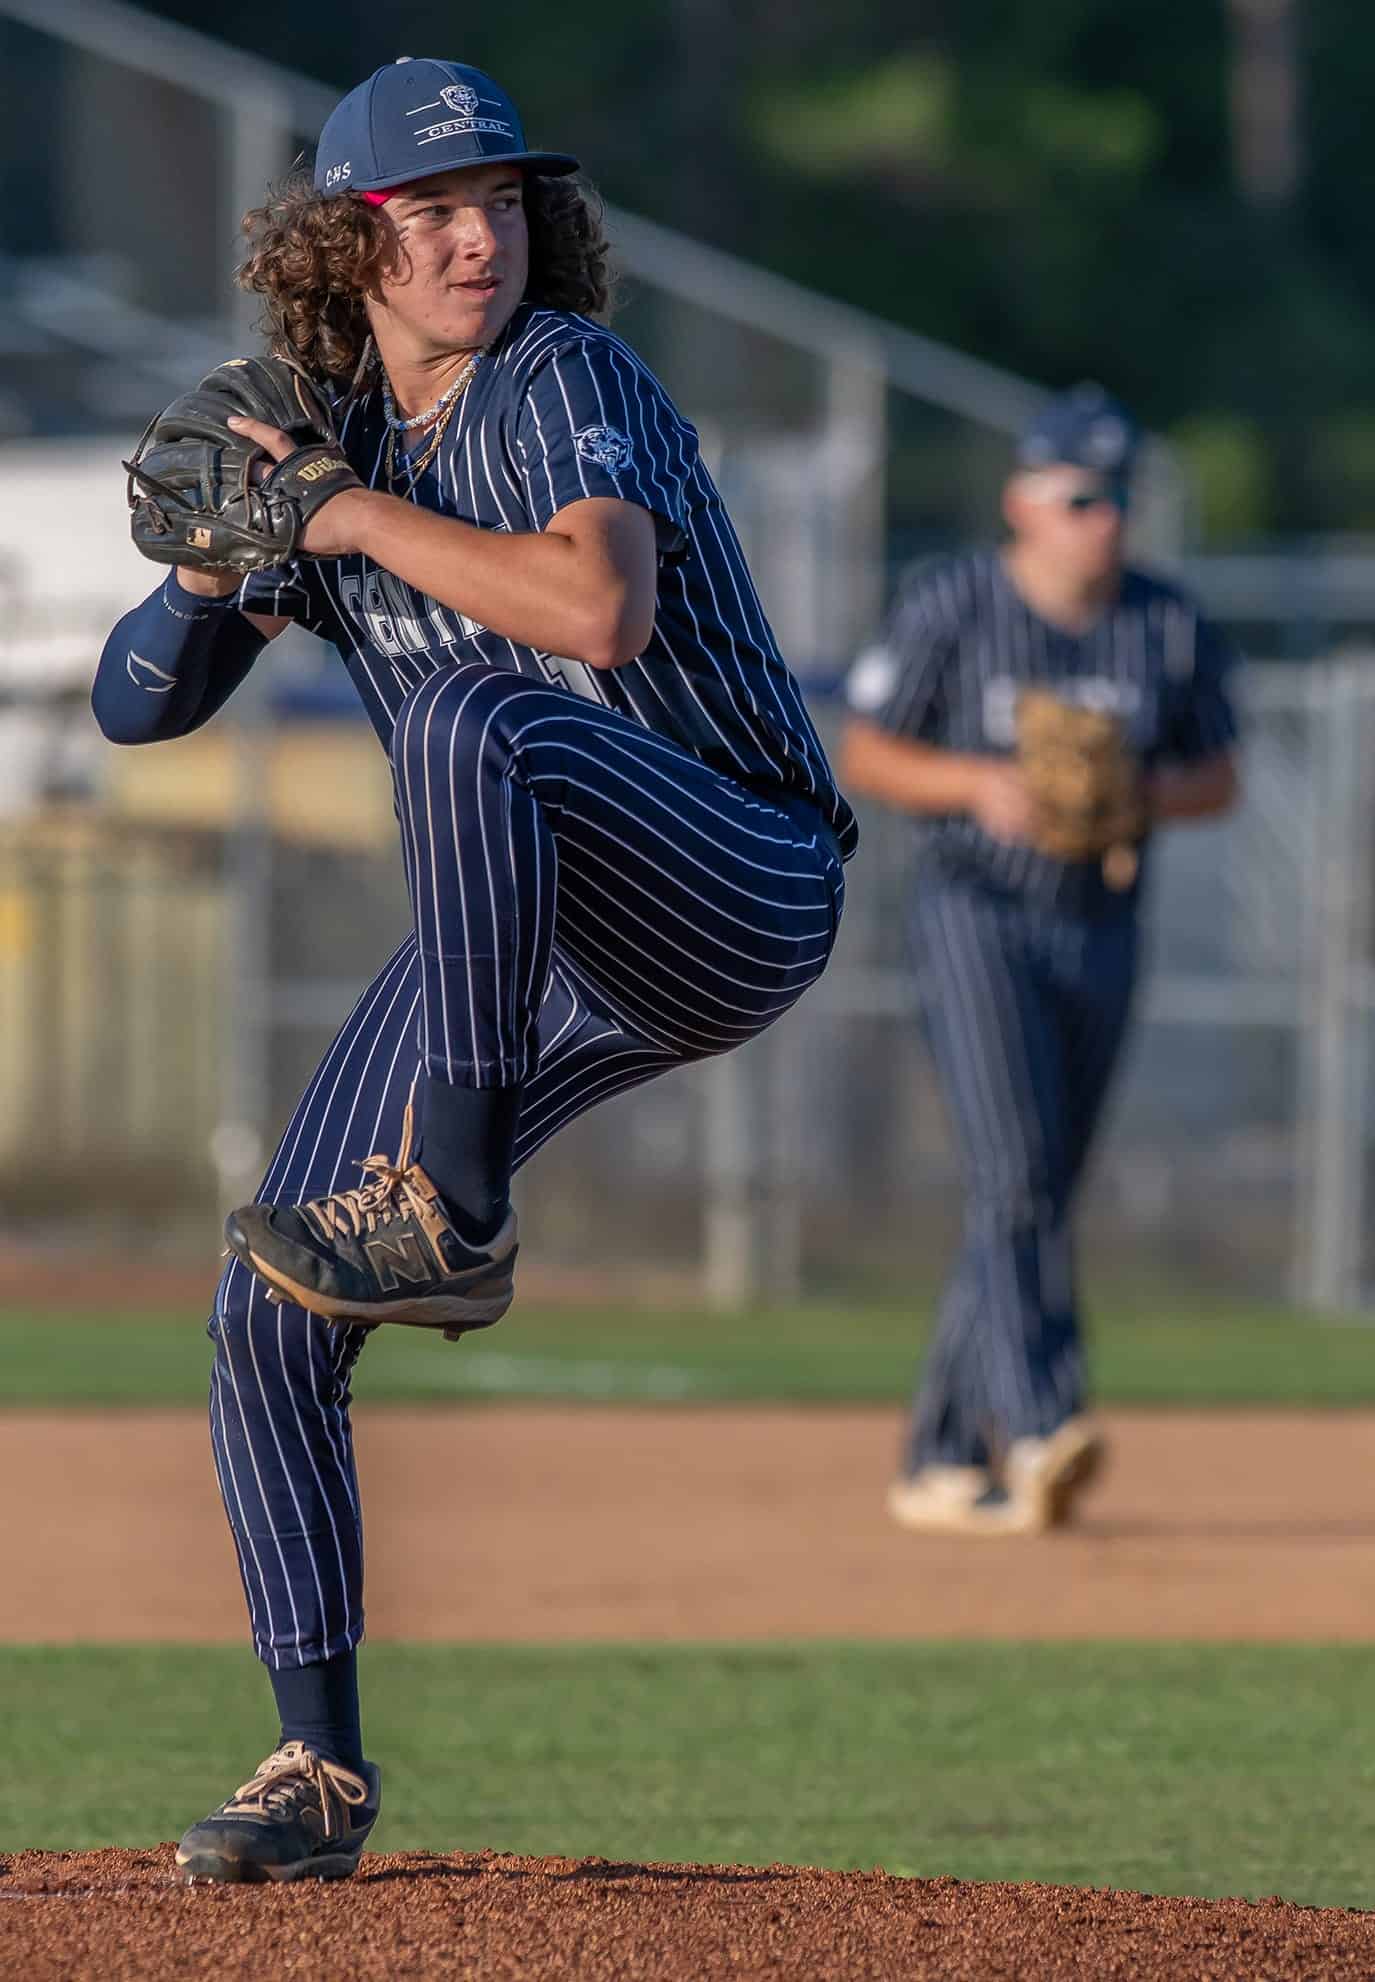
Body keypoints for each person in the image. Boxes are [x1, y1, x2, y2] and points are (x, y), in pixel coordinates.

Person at [93, 57, 855, 1883]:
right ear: (338, 243)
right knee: (269, 1299)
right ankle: (317, 1767)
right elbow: (134, 711)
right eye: (428, 210)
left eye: (499, 202)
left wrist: (338, 521)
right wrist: (215, 572)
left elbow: (596, 614)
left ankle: (451, 1196)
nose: (472, 239)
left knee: (465, 711)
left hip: (733, 873)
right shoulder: (333, 426)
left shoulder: (560, 377)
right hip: (528, 938)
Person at [840, 384, 1239, 1540]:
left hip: (1099, 916)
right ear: (1024, 501)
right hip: (975, 913)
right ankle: (1043, 1418)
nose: (1099, 517)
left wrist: (1139, 794)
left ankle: (937, 1452)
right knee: (1013, 1171)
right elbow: (868, 746)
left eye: (1115, 497)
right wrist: (983, 783)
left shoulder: (1163, 622)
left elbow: (1218, 773)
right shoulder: (956, 601)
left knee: (1035, 1189)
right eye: (1077, 496)